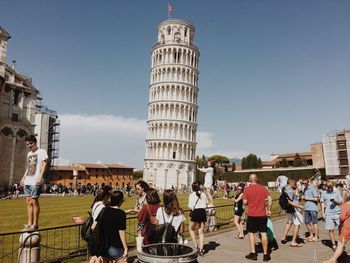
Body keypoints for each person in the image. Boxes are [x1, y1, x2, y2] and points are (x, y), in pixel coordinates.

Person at [20, 135, 48, 231]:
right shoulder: (28, 154)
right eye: (27, 144)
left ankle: (35, 224)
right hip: (28, 179)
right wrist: (23, 178)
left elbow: (44, 165)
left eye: (31, 143)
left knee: (34, 201)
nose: (29, 145)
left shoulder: (42, 152)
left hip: (36, 180)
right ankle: (29, 223)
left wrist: (40, 177)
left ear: (35, 142)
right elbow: (29, 167)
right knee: (28, 202)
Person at [243, 174, 272, 262]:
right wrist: (269, 209)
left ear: (249, 180)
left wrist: (249, 203)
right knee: (263, 233)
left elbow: (245, 202)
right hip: (262, 214)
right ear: (257, 179)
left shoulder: (247, 189)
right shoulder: (263, 188)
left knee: (251, 233)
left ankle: (253, 253)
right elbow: (270, 199)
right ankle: (266, 255)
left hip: (252, 215)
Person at [93, 190, 128, 263]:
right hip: (116, 246)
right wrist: (126, 248)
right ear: (121, 201)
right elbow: (121, 231)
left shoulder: (104, 210)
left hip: (104, 246)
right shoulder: (121, 213)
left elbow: (93, 226)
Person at [323, 190, 350, 263]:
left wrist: (340, 220)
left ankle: (333, 259)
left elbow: (341, 217)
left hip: (346, 227)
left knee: (340, 244)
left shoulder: (345, 205)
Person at [280, 179, 304, 247]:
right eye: (294, 184)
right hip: (295, 209)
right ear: (291, 183)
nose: (295, 185)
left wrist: (296, 192)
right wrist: (299, 206)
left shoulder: (285, 189)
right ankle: (293, 242)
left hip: (289, 209)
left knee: (289, 222)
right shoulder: (290, 190)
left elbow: (293, 198)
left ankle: (284, 237)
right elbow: (290, 202)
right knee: (297, 224)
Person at [321, 181, 343, 251]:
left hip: (337, 213)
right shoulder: (323, 193)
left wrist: (335, 202)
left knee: (341, 229)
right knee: (330, 229)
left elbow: (341, 202)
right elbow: (322, 203)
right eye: (328, 187)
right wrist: (322, 212)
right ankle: (334, 245)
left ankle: (340, 243)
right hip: (329, 213)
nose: (330, 188)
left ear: (333, 186)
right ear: (326, 186)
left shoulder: (337, 192)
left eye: (331, 187)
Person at [188, 181, 208, 256]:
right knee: (201, 231)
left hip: (196, 212)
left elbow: (190, 206)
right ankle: (201, 249)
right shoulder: (203, 194)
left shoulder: (192, 195)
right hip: (202, 212)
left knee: (190, 229)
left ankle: (196, 245)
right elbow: (206, 204)